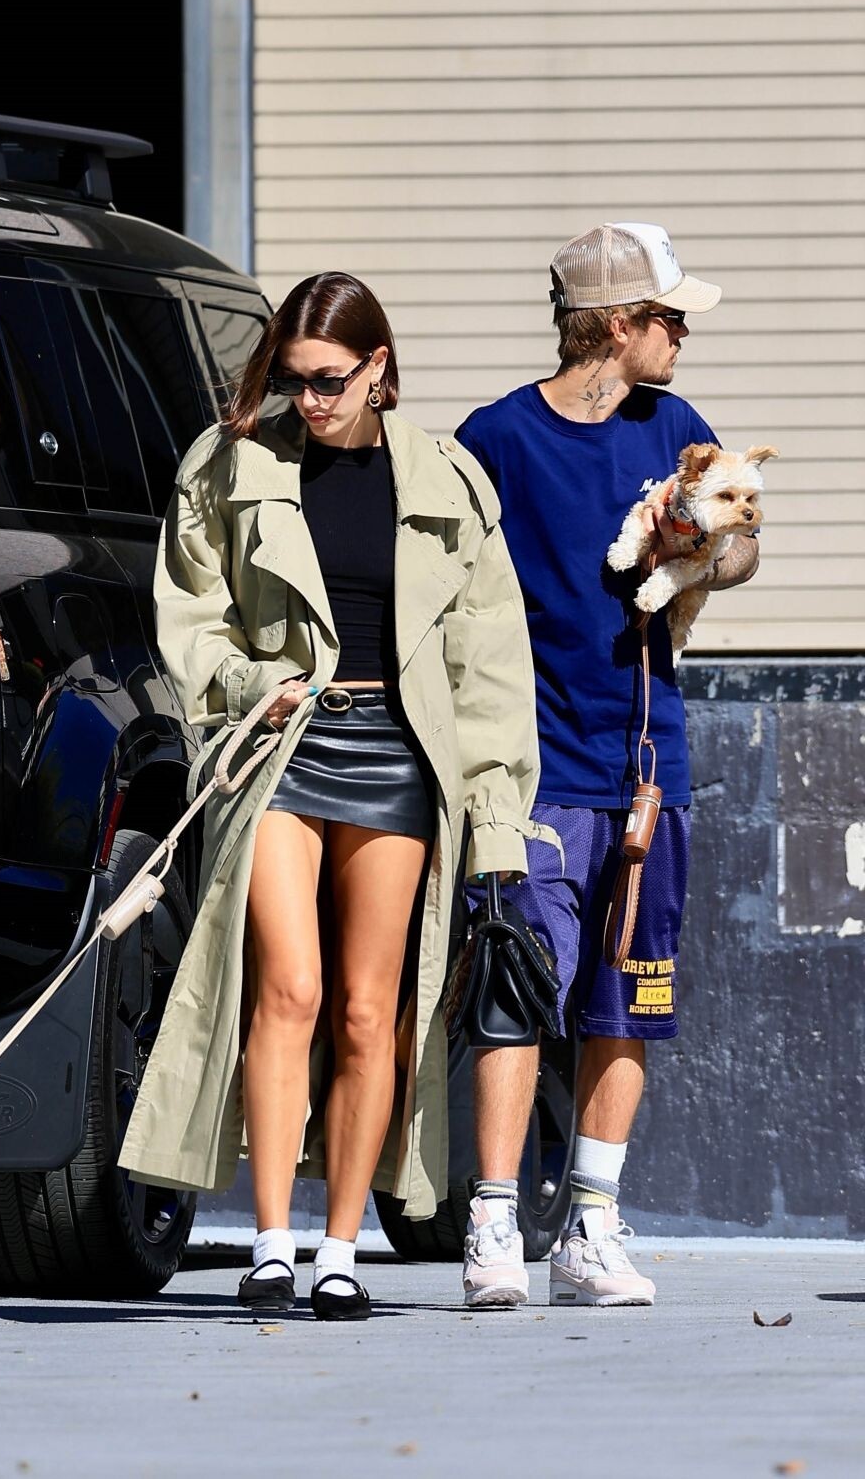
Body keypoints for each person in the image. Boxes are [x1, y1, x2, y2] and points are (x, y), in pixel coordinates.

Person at [119, 271, 547, 1320]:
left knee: (368, 1010)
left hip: (401, 754)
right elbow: (190, 614)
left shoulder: (446, 479)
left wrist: (496, 828)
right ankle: (272, 1244)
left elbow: (488, 669)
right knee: (290, 989)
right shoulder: (230, 463)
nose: (307, 400)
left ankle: (341, 1249)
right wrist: (247, 683)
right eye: (291, 380)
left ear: (378, 367)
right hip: (281, 745)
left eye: (328, 380)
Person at [453, 222, 760, 1309]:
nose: (682, 335)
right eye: (669, 317)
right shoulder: (494, 437)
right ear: (619, 323)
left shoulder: (676, 428)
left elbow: (745, 543)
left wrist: (703, 549)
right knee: (515, 988)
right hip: (526, 767)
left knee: (628, 996)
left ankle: (590, 1227)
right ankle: (493, 1220)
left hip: (645, 765)